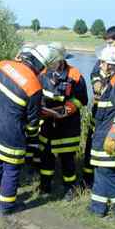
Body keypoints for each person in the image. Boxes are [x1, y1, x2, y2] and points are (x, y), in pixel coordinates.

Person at [0, 44, 60, 216]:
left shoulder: (3, 65)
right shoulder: (34, 87)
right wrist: (32, 137)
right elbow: (33, 121)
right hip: (11, 137)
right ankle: (6, 208)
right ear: (41, 66)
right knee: (11, 171)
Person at [38, 42, 88, 201]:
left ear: (61, 59)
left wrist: (64, 111)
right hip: (47, 124)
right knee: (46, 157)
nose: (51, 63)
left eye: (53, 60)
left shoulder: (75, 75)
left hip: (67, 125)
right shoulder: (43, 73)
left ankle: (70, 189)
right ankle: (45, 186)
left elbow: (82, 99)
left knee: (67, 159)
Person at [83, 26, 115, 187]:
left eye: (111, 43)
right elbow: (94, 73)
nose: (108, 47)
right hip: (99, 109)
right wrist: (96, 82)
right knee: (93, 144)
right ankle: (88, 181)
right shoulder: (105, 55)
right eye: (106, 43)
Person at [88, 46, 115, 221]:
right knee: (100, 172)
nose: (100, 65)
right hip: (102, 134)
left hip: (109, 137)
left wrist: (113, 137)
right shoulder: (114, 79)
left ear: (111, 64)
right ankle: (97, 208)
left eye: (103, 62)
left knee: (109, 175)